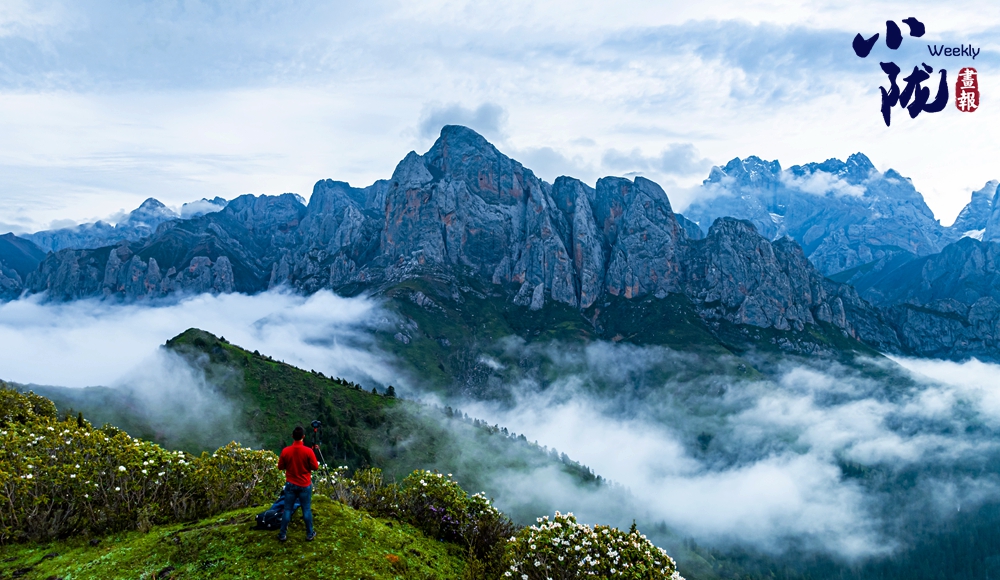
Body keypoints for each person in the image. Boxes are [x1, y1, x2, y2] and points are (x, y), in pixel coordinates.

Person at [276, 425, 319, 541]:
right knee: (306, 509)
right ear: (303, 437)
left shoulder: (286, 451)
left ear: (292, 436)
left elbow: (280, 467)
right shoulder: (308, 451)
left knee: (287, 509)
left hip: (290, 484)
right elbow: (315, 467)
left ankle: (282, 534)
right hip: (304, 484)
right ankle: (309, 534)